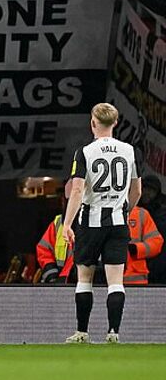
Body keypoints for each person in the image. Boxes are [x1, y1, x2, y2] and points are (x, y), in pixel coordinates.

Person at [62, 102, 141, 344]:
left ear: (93, 123)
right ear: (115, 123)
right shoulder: (129, 151)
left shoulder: (84, 152)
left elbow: (76, 191)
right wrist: (125, 209)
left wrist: (67, 223)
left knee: (84, 277)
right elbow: (136, 190)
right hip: (118, 222)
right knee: (115, 281)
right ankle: (113, 332)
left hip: (90, 221)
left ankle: (82, 332)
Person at [37, 178, 76, 283]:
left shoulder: (99, 222)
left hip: (89, 283)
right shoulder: (58, 223)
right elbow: (43, 250)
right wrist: (51, 276)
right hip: (61, 283)